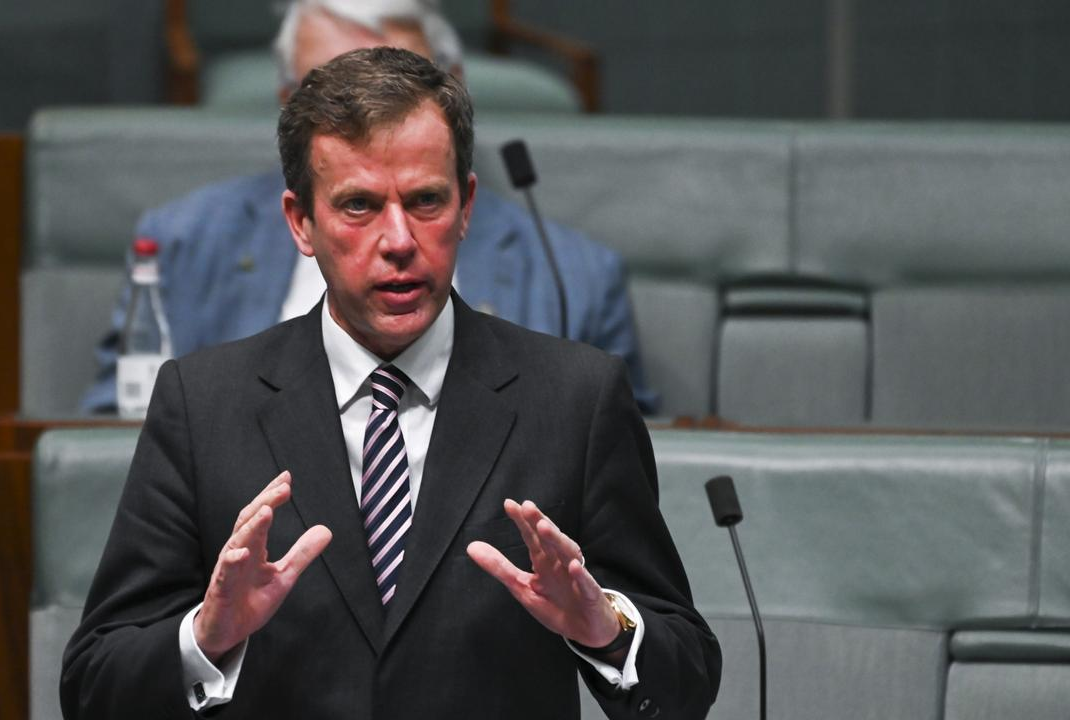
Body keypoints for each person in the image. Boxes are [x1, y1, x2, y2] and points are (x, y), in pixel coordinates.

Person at [62, 47, 718, 719]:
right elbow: (94, 684)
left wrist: (607, 632)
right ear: (300, 222)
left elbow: (686, 677)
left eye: (426, 201)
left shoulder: (577, 399)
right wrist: (207, 638)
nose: (399, 240)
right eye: (359, 206)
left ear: (466, 205)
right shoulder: (203, 404)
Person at [80, 0, 658, 415]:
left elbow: (630, 479)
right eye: (331, 97)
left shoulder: (575, 278)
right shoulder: (181, 245)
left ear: (455, 91)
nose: (369, 124)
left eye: (398, 91)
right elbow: (113, 451)